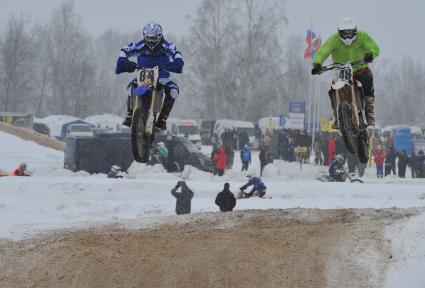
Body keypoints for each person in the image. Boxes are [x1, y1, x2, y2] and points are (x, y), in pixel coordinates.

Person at [311, 18, 380, 129]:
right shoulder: (334, 39)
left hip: (360, 68)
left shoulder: (362, 36)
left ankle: (369, 111)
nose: (347, 37)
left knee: (368, 78)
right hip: (341, 70)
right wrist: (317, 64)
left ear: (355, 32)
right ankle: (338, 117)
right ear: (339, 33)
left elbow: (373, 46)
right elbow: (323, 51)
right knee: (333, 90)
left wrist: (371, 54)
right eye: (344, 34)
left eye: (350, 33)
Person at [115, 21, 184, 131]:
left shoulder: (167, 45)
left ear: (160, 36)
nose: (151, 41)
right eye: (148, 38)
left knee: (174, 90)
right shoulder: (140, 45)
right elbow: (124, 50)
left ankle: (162, 119)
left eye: (154, 38)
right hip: (143, 75)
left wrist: (177, 63)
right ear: (144, 36)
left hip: (162, 76)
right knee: (131, 87)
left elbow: (177, 53)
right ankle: (129, 114)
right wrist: (123, 61)